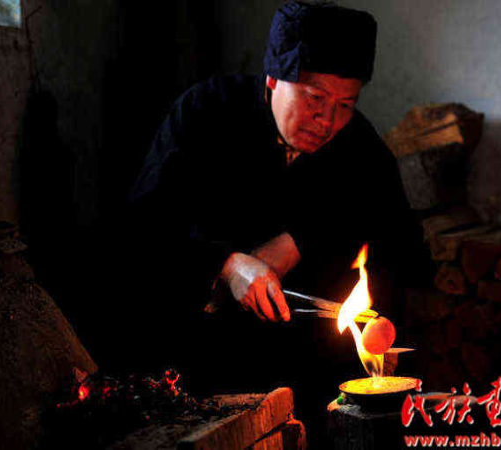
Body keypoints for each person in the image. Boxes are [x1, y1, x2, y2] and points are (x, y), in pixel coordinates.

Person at [125, 1, 430, 443]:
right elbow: (144, 224)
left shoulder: (361, 149)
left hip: (315, 376)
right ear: (272, 79)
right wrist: (227, 264)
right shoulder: (205, 113)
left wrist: (302, 240)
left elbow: (402, 248)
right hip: (207, 370)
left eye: (345, 104)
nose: (327, 121)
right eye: (314, 98)